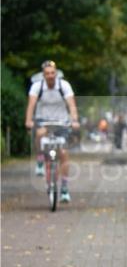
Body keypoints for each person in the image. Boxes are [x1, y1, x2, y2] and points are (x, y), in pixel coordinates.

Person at [24, 61, 80, 201]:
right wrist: (29, 121)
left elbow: (71, 105)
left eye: (52, 73)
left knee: (64, 153)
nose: (50, 76)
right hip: (43, 120)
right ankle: (40, 160)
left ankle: (65, 188)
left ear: (56, 73)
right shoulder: (37, 86)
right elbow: (31, 105)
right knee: (39, 133)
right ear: (43, 75)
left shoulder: (64, 85)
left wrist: (74, 120)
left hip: (61, 122)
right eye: (47, 73)